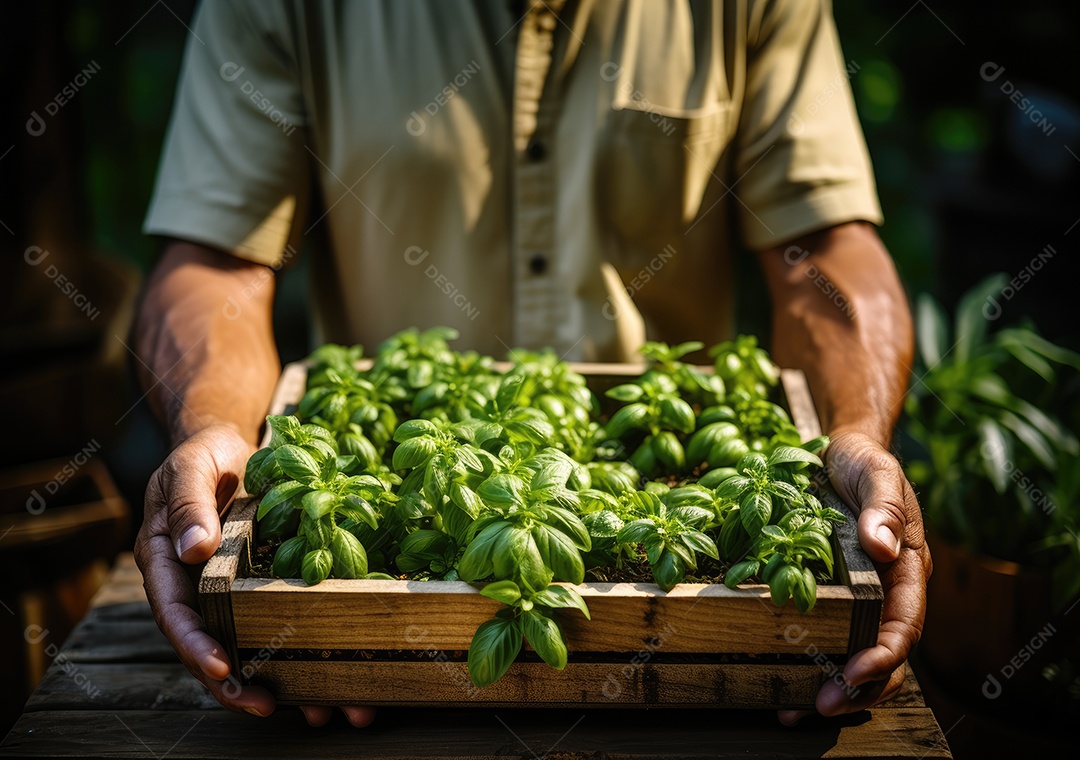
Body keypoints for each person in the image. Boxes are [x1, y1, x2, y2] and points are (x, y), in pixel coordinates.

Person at [134, 0, 931, 728]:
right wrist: (212, 429)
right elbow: (217, 258)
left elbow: (822, 250)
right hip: (363, 699)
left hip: (691, 657)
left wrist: (857, 433)